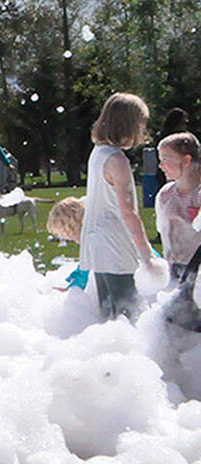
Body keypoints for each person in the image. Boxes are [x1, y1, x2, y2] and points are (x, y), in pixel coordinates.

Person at [79, 93, 162, 320]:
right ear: (128, 125)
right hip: (116, 245)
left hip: (97, 243)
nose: (144, 129)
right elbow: (128, 211)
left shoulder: (98, 153)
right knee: (128, 316)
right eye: (142, 123)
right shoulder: (117, 160)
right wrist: (147, 256)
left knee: (108, 316)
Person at [156, 132, 201, 285]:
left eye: (165, 159)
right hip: (173, 269)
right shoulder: (165, 195)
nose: (160, 166)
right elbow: (162, 230)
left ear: (187, 160)